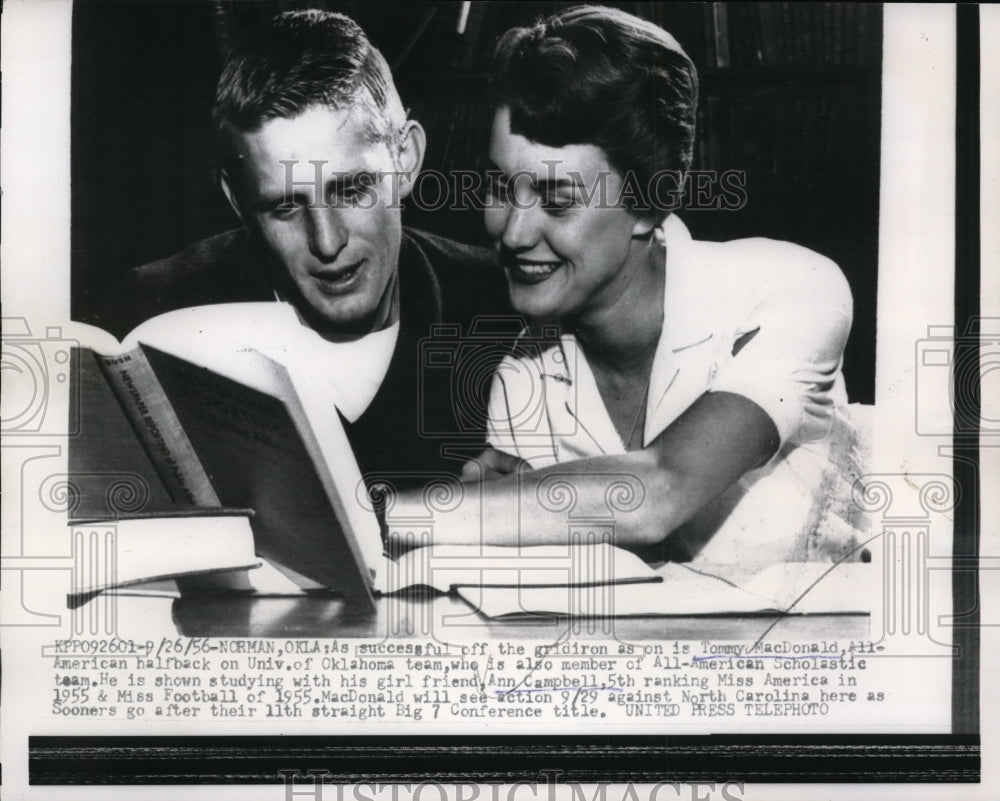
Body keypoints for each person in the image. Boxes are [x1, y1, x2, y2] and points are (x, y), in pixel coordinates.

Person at [391, 5, 858, 564]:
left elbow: (661, 490)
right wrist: (500, 516)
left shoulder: (789, 289)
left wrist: (399, 516)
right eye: (499, 186)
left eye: (558, 199)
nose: (513, 233)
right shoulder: (521, 379)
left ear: (649, 201)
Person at [98, 10, 515, 488]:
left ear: (406, 158)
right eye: (285, 207)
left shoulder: (501, 309)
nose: (327, 241)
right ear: (238, 201)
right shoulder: (149, 313)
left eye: (351, 190)